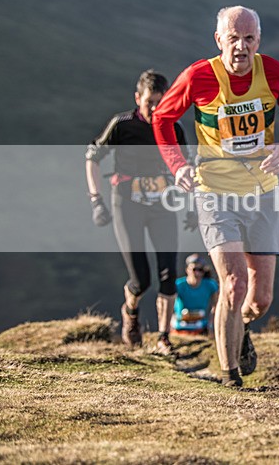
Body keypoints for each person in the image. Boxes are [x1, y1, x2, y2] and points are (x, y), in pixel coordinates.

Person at [153, 6, 279, 387]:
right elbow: (162, 118)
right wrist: (178, 166)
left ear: (259, 40)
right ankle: (230, 376)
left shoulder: (275, 73)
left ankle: (240, 328)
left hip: (262, 193)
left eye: (249, 39)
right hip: (214, 192)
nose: (241, 47)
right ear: (219, 39)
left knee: (259, 300)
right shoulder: (199, 76)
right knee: (233, 284)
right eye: (233, 38)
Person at [85, 69, 188, 355]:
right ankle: (130, 312)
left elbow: (186, 170)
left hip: (163, 205)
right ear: (137, 99)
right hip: (127, 205)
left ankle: (164, 337)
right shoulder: (122, 125)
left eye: (160, 102)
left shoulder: (174, 128)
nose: (155, 109)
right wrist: (96, 199)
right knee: (141, 279)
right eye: (149, 103)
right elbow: (92, 156)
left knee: (168, 274)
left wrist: (193, 207)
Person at [172, 254, 219, 336]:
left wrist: (211, 324)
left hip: (201, 324)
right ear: (187, 269)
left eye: (200, 270)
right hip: (180, 324)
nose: (197, 273)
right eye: (194, 269)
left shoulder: (210, 285)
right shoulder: (178, 285)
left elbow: (216, 305)